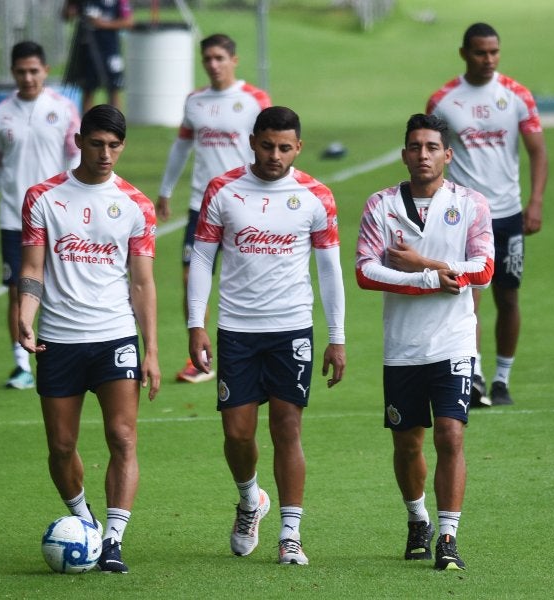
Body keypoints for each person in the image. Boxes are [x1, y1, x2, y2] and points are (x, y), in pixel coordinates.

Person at [186, 106, 346, 566]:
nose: (274, 155)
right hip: (237, 329)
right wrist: (197, 323)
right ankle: (250, 499)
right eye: (266, 145)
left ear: (297, 147)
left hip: (291, 327)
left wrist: (337, 337)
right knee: (237, 433)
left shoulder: (316, 195)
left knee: (287, 427)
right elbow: (201, 260)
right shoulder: (224, 190)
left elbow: (330, 269)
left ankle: (291, 533)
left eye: (284, 147)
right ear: (252, 142)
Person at [18, 104, 160, 573]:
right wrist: (25, 314)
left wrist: (152, 349)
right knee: (61, 446)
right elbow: (33, 269)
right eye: (96, 143)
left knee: (122, 436)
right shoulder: (42, 197)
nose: (105, 154)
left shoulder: (136, 205)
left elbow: (142, 283)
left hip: (114, 335)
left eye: (114, 146)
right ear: (79, 142)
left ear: (123, 147)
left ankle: (114, 539)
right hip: (58, 339)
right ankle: (85, 524)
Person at [355, 113, 494, 571]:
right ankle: (418, 519)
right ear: (404, 154)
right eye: (415, 147)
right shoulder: (380, 205)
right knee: (407, 443)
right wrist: (430, 279)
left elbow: (484, 270)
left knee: (451, 435)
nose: (423, 155)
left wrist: (424, 265)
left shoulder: (471, 204)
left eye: (432, 147)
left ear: (447, 155)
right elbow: (364, 271)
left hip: (453, 342)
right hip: (403, 347)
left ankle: (449, 536)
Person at [426, 22, 548, 407]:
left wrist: (536, 201)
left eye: (494, 52)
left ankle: (503, 378)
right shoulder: (444, 100)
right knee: (468, 297)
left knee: (508, 296)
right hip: (462, 216)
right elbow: (430, 153)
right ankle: (474, 375)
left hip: (508, 213)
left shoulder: (515, 96)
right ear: (464, 53)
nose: (488, 59)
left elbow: (538, 151)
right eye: (480, 52)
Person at [155, 33, 272, 384]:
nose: (213, 64)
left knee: (251, 279)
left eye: (220, 57)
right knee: (192, 278)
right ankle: (200, 358)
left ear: (234, 60)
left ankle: (261, 352)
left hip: (245, 205)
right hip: (201, 206)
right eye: (207, 58)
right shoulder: (195, 102)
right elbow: (180, 148)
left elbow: (272, 148)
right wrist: (164, 190)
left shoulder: (254, 100)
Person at [0, 40, 81, 390]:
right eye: (21, 71)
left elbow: (76, 159)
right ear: (13, 73)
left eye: (34, 70)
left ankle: (63, 353)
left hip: (56, 216)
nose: (27, 77)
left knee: (59, 288)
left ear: (45, 70)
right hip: (13, 218)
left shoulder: (64, 109)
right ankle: (22, 364)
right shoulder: (0, 114)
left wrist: (77, 205)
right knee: (18, 291)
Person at [61, 0, 133, 110]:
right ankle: (88, 126)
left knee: (113, 90)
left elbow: (128, 22)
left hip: (110, 49)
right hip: (86, 48)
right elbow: (67, 16)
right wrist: (70, 7)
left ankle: (114, 125)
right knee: (88, 90)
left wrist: (103, 24)